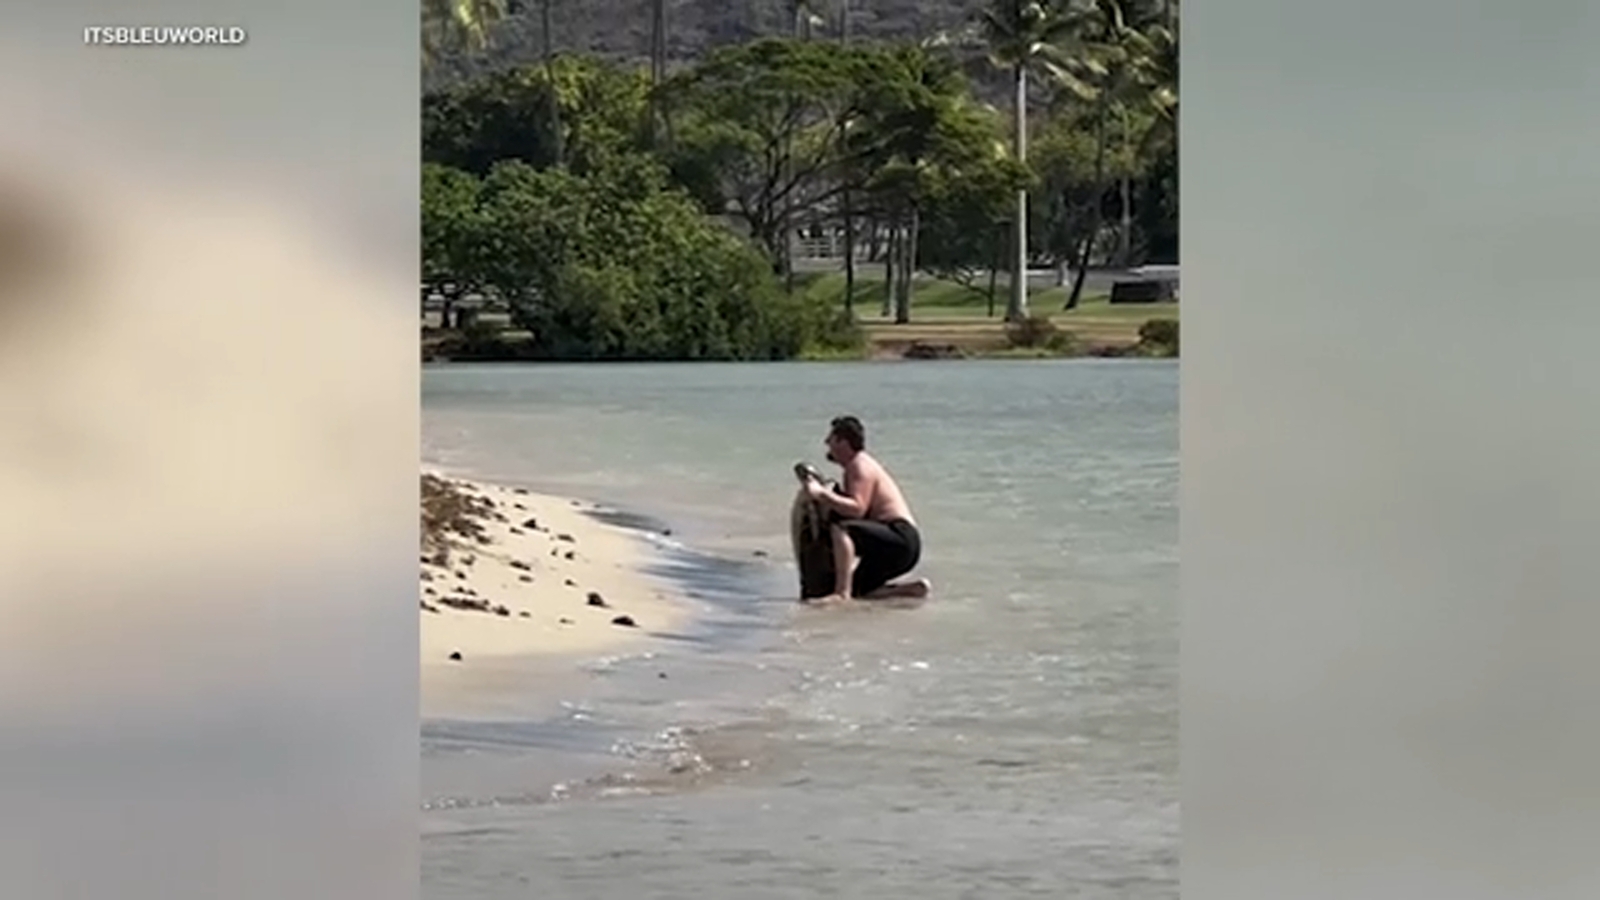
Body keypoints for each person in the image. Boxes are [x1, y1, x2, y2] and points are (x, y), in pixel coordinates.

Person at [801, 415, 931, 605]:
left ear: (843, 442)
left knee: (841, 528)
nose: (826, 443)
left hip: (899, 537)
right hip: (901, 548)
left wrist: (821, 494)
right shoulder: (854, 466)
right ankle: (911, 590)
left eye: (831, 439)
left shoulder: (858, 466)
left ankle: (841, 593)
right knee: (860, 591)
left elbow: (857, 510)